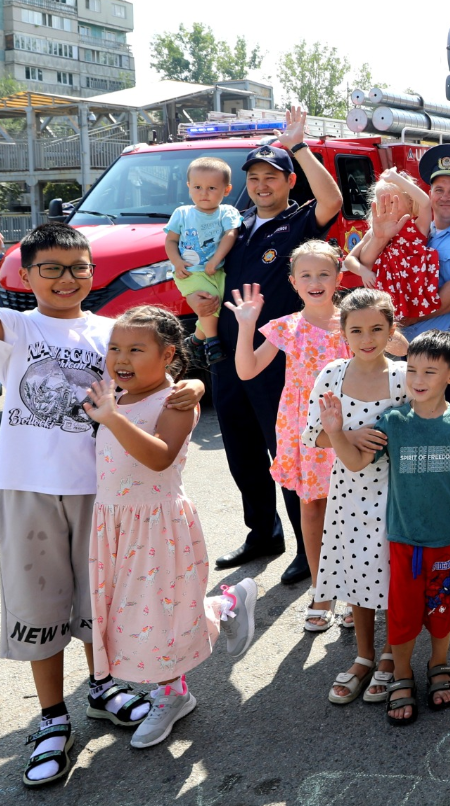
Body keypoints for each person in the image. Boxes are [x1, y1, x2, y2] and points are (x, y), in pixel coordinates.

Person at [0, 208, 203, 785]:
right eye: (51, 269)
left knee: (98, 604)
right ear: (28, 275)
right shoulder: (20, 327)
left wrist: (192, 382)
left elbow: (153, 369)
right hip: (29, 487)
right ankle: (51, 717)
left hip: (100, 493)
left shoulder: (106, 329)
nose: (66, 278)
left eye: (78, 268)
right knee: (40, 606)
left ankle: (102, 689)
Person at [83, 306, 260, 748]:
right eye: (115, 348)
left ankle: (172, 694)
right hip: (114, 524)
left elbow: (160, 456)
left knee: (157, 617)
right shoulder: (115, 398)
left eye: (136, 349)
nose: (121, 357)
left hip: (158, 525)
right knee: (132, 615)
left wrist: (111, 418)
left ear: (167, 355)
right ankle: (225, 606)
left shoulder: (177, 401)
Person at [187, 106, 343, 587]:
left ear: (289, 182)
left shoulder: (299, 223)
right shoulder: (236, 224)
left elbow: (332, 199)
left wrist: (298, 144)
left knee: (289, 453)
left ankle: (306, 545)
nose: (261, 185)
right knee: (241, 448)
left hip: (281, 359)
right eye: (253, 177)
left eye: (271, 177)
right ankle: (263, 532)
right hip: (231, 354)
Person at [355, 143, 450, 561]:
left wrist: (395, 313)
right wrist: (375, 247)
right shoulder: (406, 226)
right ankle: (423, 531)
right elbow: (359, 262)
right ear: (428, 194)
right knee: (413, 445)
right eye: (438, 188)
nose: (446, 196)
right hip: (405, 351)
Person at [226, 242, 350, 631]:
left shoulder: (352, 321)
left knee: (352, 510)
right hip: (305, 430)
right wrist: (246, 327)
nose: (315, 282)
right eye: (306, 275)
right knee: (312, 507)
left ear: (338, 278)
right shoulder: (287, 327)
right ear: (294, 282)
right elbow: (247, 371)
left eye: (324, 274)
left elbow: (393, 351)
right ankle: (321, 590)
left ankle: (354, 593)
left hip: (350, 425)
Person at [306, 288, 408, 705]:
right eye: (357, 330)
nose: (367, 338)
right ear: (343, 331)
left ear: (391, 330)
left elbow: (435, 421)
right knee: (358, 573)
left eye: (377, 329)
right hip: (349, 494)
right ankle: (364, 656)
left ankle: (390, 654)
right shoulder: (331, 373)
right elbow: (313, 435)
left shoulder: (405, 375)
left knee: (394, 572)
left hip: (398, 492)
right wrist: (346, 434)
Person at [376, 330, 450, 725]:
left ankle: (439, 663)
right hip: (404, 541)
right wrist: (337, 430)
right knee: (402, 613)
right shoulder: (393, 421)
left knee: (443, 609)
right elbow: (354, 458)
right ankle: (401, 673)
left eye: (430, 372)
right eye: (412, 370)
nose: (418, 380)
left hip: (448, 541)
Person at [343, 169, 440, 326]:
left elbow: (426, 202)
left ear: (409, 202)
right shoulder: (374, 231)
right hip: (383, 296)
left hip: (412, 296)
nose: (387, 207)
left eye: (392, 201)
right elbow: (349, 260)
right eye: (381, 202)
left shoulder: (417, 227)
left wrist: (396, 179)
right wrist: (364, 272)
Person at [163, 157, 242, 303]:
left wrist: (215, 261)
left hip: (217, 271)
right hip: (190, 273)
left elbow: (231, 234)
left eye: (211, 188)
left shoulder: (227, 212)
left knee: (218, 310)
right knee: (209, 309)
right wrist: (177, 262)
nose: (203, 193)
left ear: (227, 190)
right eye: (197, 187)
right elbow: (171, 241)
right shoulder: (182, 213)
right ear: (189, 186)